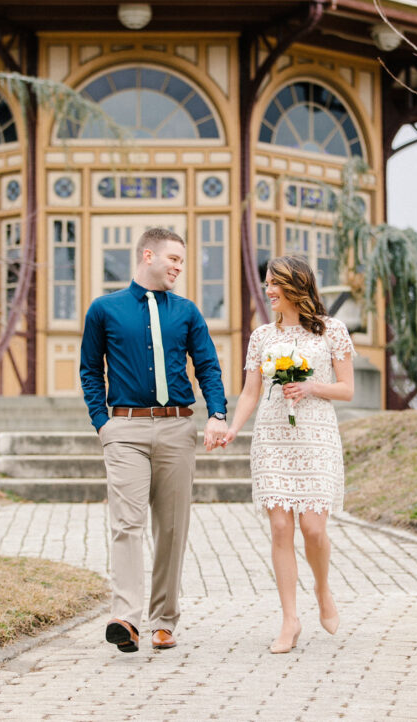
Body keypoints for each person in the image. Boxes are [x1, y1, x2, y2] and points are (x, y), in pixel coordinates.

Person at [80, 227, 227, 654]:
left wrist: (216, 414)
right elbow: (90, 369)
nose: (179, 268)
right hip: (124, 430)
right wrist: (102, 423)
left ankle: (163, 620)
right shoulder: (103, 310)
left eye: (182, 261)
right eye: (173, 259)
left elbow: (208, 366)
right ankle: (126, 617)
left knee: (172, 528)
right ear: (148, 255)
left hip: (177, 428)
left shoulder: (187, 312)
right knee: (126, 524)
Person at [221, 254, 355, 654]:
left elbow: (347, 389)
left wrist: (311, 386)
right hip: (272, 437)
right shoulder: (262, 337)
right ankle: (290, 619)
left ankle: (322, 589)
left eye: (275, 283)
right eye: (266, 283)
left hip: (316, 437)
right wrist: (232, 428)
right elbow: (250, 392)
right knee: (281, 527)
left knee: (313, 529)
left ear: (297, 285)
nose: (268, 290)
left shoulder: (332, 331)